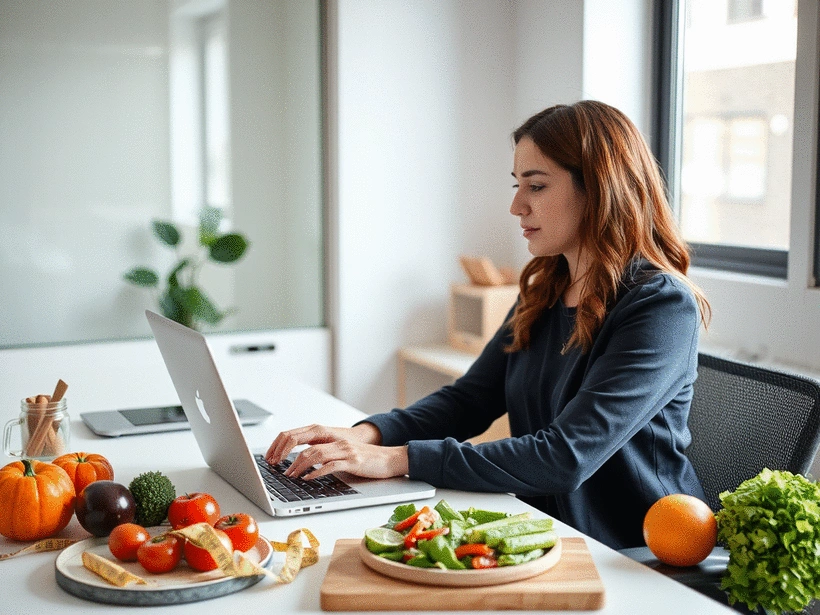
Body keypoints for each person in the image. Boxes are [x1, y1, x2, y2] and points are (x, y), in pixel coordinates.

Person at [265, 100, 711, 550]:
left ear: (598, 188)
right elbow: (471, 399)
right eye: (518, 185)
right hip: (546, 531)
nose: (516, 205)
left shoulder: (660, 307)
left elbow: (565, 456)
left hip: (636, 551)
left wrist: (397, 459)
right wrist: (364, 436)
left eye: (536, 186)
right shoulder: (546, 288)